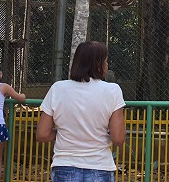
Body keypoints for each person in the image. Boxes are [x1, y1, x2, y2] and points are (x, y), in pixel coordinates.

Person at [36, 41, 126, 182]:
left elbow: (42, 134)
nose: (107, 66)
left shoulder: (58, 89)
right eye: (106, 61)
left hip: (64, 167)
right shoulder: (112, 91)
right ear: (98, 64)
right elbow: (118, 139)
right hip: (100, 167)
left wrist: (65, 133)